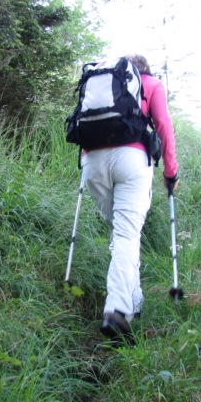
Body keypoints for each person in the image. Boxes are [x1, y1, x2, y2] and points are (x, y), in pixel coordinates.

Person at [81, 54, 179, 346]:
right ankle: (118, 311)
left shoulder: (103, 85)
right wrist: (170, 171)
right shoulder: (151, 84)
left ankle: (133, 302)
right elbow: (163, 126)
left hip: (92, 160)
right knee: (126, 234)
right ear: (144, 70)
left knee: (121, 233)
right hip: (131, 159)